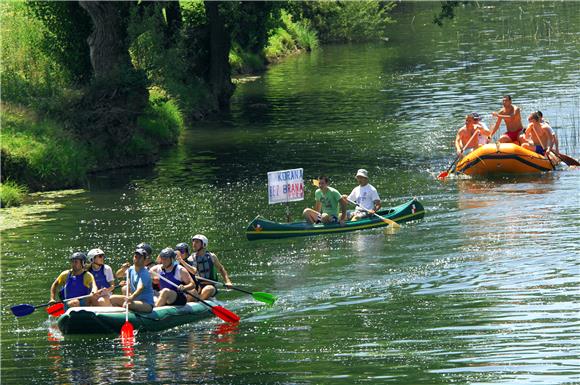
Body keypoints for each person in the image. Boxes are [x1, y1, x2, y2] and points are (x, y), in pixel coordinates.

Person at [187, 234, 233, 301]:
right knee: (191, 292)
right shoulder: (191, 258)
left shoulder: (212, 256)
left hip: (211, 286)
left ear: (204, 244)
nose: (194, 244)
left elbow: (221, 269)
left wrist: (228, 281)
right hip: (198, 286)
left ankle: (199, 301)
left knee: (208, 289)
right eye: (193, 241)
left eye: (197, 242)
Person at [110, 248, 154, 313]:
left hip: (146, 303)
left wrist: (131, 297)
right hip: (134, 300)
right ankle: (121, 316)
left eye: (140, 257)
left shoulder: (145, 273)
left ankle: (130, 315)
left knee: (127, 304)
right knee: (112, 299)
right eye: (136, 256)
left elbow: (140, 288)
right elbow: (118, 275)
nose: (137, 258)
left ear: (144, 260)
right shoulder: (131, 269)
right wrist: (122, 269)